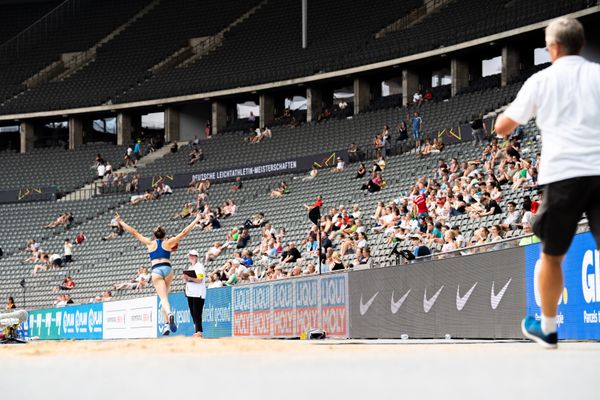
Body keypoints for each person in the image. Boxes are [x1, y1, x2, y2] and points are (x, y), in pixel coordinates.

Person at [494, 17, 600, 349]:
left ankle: (550, 329)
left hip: (563, 175)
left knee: (552, 255)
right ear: (581, 45)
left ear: (553, 47)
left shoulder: (541, 81)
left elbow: (503, 127)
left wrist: (507, 118)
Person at [115, 212, 203, 335]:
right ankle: (166, 325)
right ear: (164, 235)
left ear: (154, 235)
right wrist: (196, 219)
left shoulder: (150, 243)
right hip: (168, 269)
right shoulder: (168, 242)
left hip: (156, 270)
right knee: (165, 297)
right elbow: (184, 232)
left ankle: (170, 314)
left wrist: (121, 221)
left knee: (163, 299)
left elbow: (134, 233)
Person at [183, 250, 206, 338]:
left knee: (197, 312)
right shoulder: (190, 267)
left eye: (193, 256)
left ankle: (199, 332)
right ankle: (196, 331)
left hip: (198, 293)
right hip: (191, 293)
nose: (191, 257)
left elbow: (199, 280)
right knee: (193, 312)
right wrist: (186, 278)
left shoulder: (199, 266)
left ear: (196, 257)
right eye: (190, 256)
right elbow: (188, 280)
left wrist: (189, 278)